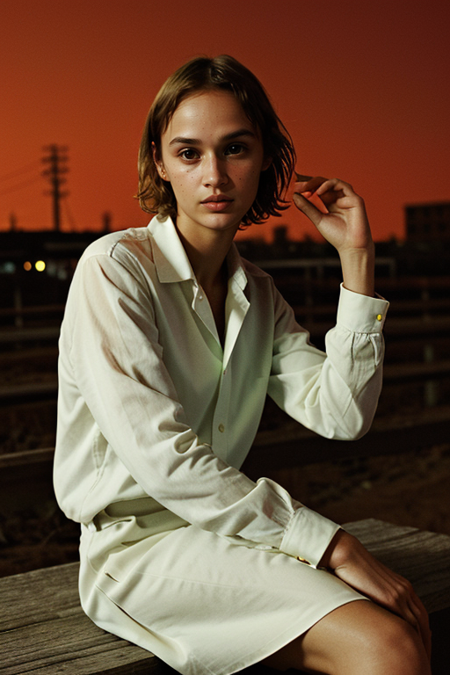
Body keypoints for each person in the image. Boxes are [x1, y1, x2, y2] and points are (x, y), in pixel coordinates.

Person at [54, 55, 431, 675]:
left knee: (398, 632)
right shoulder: (115, 269)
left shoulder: (258, 296)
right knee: (385, 646)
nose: (214, 176)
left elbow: (343, 415)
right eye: (189, 153)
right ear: (159, 162)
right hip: (137, 552)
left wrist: (357, 259)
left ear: (265, 160)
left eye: (235, 149)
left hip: (228, 536)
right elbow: (163, 456)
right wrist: (331, 543)